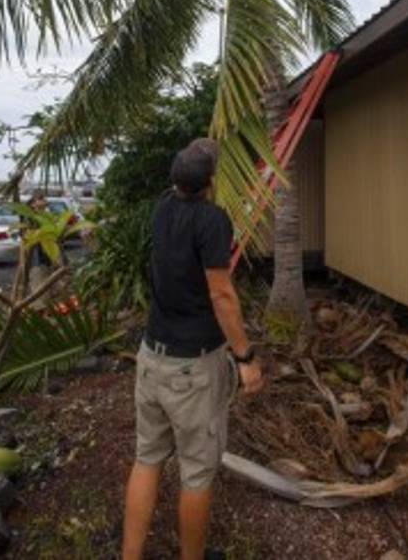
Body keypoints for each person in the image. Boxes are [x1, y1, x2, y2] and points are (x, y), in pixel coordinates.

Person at [122, 142, 263, 560]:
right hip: (192, 369)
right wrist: (245, 358)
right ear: (212, 182)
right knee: (197, 475)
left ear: (174, 181)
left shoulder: (162, 209)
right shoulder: (212, 220)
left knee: (147, 459)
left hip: (151, 358)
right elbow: (222, 294)